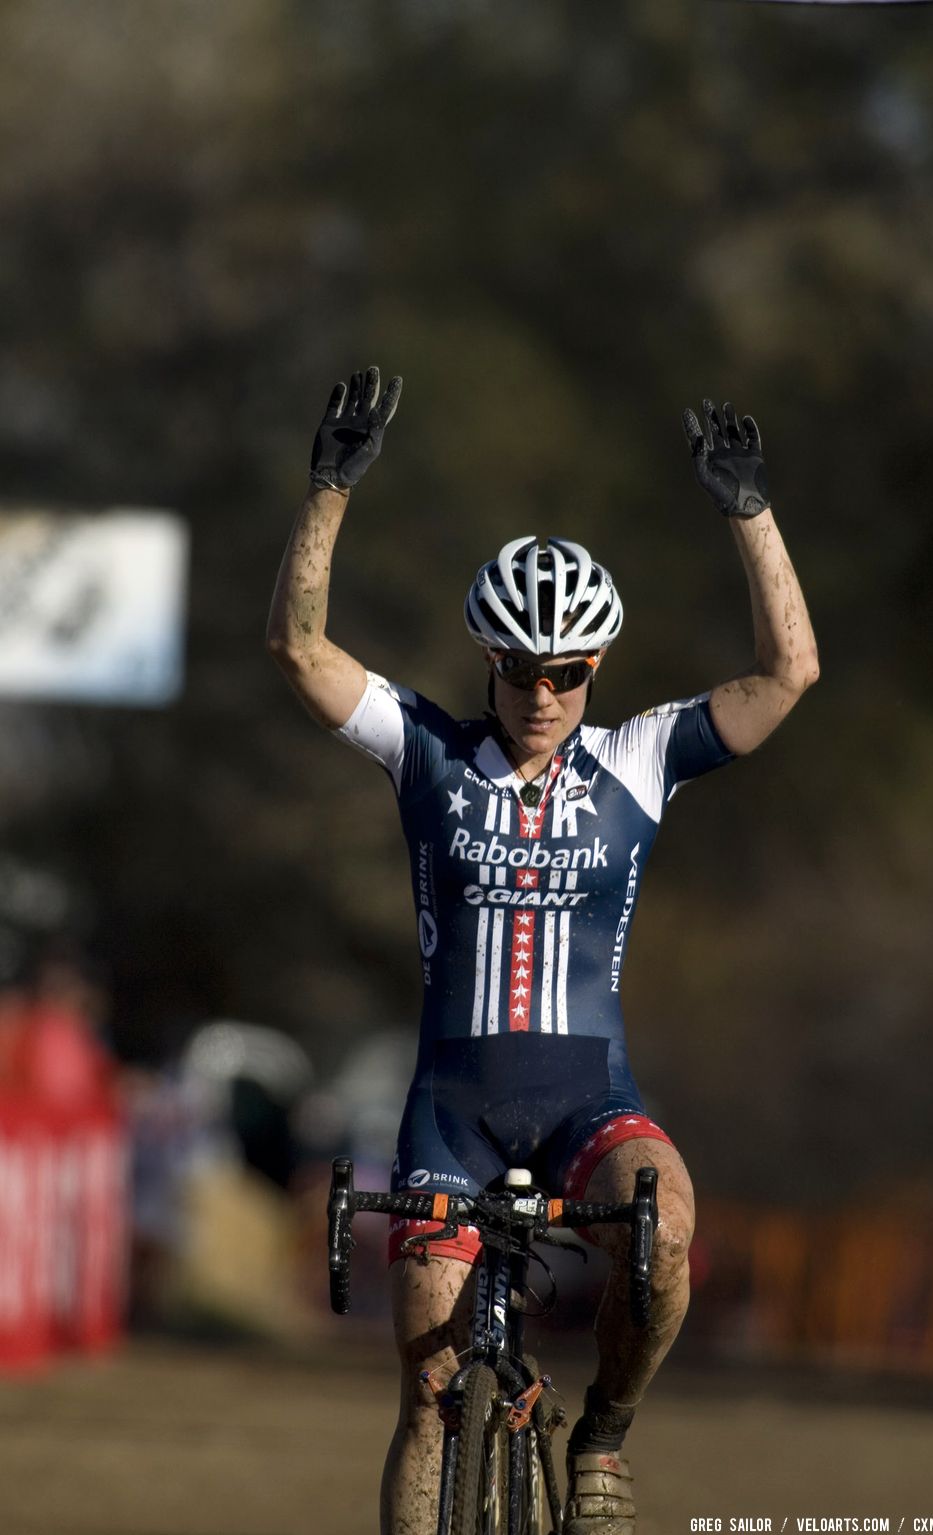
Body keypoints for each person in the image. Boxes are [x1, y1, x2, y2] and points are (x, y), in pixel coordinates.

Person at [267, 367, 818, 1535]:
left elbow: (789, 675)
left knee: (662, 1224)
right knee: (425, 1393)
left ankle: (604, 1439)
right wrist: (328, 491)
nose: (542, 692)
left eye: (567, 672)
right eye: (521, 667)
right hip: (449, 1113)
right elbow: (299, 647)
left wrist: (748, 510)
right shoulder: (422, 748)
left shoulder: (639, 758)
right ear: (489, 659)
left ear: (596, 670)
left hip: (589, 1099)